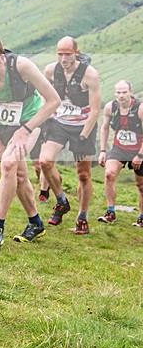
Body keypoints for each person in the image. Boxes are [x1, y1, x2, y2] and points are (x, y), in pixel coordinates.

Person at [0, 36, 60, 249]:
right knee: (18, 174)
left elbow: (54, 100)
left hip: (33, 121)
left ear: (2, 56)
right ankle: (35, 223)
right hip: (4, 126)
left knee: (8, 163)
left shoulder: (21, 66)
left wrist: (25, 130)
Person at [39, 37, 101, 234]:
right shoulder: (50, 70)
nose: (63, 58)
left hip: (82, 126)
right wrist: (45, 116)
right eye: (60, 54)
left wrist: (83, 136)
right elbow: (43, 93)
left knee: (83, 174)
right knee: (45, 162)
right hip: (58, 123)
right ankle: (61, 201)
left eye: (67, 54)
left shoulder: (89, 75)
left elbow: (95, 110)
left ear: (76, 53)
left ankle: (82, 217)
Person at [97, 80, 143, 227]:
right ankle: (110, 212)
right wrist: (103, 151)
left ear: (131, 92)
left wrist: (140, 155)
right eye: (118, 92)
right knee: (109, 174)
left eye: (124, 92)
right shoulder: (111, 107)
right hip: (120, 148)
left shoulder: (140, 108)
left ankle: (141, 216)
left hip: (139, 149)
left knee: (141, 185)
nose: (121, 95)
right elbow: (104, 128)